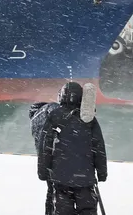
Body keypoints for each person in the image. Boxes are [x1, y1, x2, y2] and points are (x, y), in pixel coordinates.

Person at [37, 82, 107, 215]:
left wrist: (43, 171)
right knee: (87, 210)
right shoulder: (89, 120)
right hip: (85, 178)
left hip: (61, 178)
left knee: (63, 211)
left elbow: (45, 146)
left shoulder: (54, 116)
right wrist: (101, 172)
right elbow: (99, 148)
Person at [29, 100, 61, 215]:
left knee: (52, 191)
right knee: (63, 193)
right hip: (60, 157)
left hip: (47, 160)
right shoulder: (48, 108)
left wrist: (43, 169)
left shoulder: (34, 122)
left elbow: (40, 146)